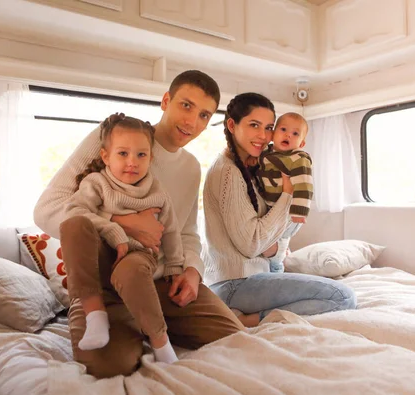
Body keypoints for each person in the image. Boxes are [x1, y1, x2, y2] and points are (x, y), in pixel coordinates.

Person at [34, 70, 243, 378]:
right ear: (166, 101)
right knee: (109, 366)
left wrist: (192, 271)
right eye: (185, 106)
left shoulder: (190, 168)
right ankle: (127, 326)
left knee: (237, 339)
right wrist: (122, 223)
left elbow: (186, 233)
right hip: (104, 285)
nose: (192, 122)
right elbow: (46, 211)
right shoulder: (116, 137)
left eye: (203, 115)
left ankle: (154, 326)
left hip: (160, 281)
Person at [203, 92, 357, 328]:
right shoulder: (227, 172)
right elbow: (253, 243)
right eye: (254, 125)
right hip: (234, 283)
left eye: (269, 127)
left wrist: (274, 249)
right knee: (342, 297)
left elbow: (281, 233)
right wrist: (287, 195)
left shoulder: (256, 169)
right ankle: (247, 320)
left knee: (334, 292)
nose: (263, 136)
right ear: (232, 125)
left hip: (254, 276)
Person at [63, 113, 182, 364]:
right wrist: (112, 229)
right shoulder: (96, 183)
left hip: (137, 255)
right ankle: (95, 315)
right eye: (122, 153)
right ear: (106, 156)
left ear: (151, 157)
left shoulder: (157, 191)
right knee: (74, 225)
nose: (132, 162)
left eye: (141, 155)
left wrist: (174, 265)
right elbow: (74, 212)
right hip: (99, 255)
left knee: (132, 270)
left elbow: (171, 230)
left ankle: (161, 343)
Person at [256, 112, 313, 273]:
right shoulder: (266, 154)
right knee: (271, 239)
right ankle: (278, 260)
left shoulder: (298, 158)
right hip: (273, 207)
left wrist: (300, 210)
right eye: (283, 129)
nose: (288, 134)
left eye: (295, 133)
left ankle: (278, 267)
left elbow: (304, 184)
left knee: (279, 240)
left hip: (290, 212)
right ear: (273, 134)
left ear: (301, 143)